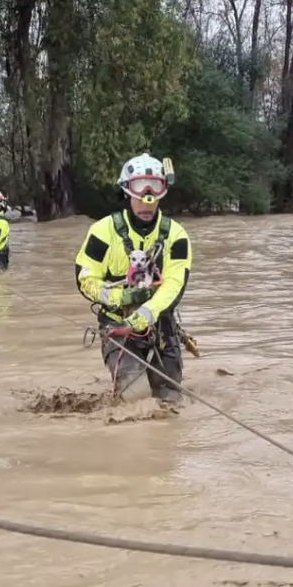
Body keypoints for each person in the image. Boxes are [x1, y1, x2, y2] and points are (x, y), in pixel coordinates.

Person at [73, 153, 194, 402]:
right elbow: (85, 278)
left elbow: (174, 284)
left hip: (161, 326)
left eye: (154, 189)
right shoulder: (102, 232)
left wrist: (145, 314)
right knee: (135, 398)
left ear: (162, 191)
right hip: (118, 327)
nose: (147, 199)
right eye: (139, 188)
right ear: (127, 191)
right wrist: (118, 296)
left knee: (169, 400)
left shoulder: (177, 236)